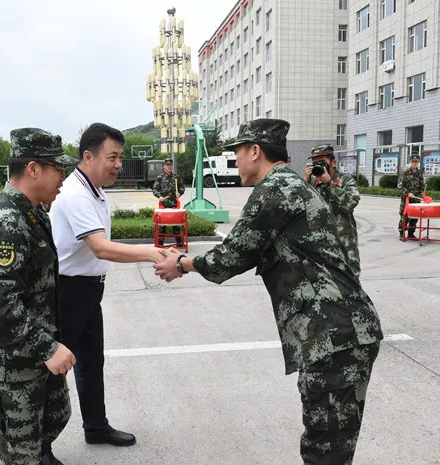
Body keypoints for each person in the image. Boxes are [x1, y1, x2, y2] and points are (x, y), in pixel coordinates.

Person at [154, 118, 383, 465]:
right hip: (343, 332)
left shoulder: (275, 190)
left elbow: (231, 256)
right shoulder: (291, 185)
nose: (236, 160)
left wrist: (182, 263)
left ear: (255, 151)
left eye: (238, 152)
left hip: (333, 335)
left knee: (324, 451)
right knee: (332, 446)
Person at [49, 122, 164, 448]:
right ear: (88, 156)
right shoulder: (75, 195)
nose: (118, 164)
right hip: (69, 292)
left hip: (88, 291)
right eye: (112, 157)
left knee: (91, 364)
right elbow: (101, 247)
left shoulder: (93, 190)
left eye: (120, 157)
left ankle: (96, 428)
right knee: (56, 369)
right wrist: (152, 252)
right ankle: (37, 446)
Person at [0, 128, 79, 465]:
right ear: (33, 169)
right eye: (58, 169)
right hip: (15, 364)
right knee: (19, 454)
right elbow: (0, 305)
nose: (63, 177)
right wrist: (48, 347)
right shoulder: (8, 221)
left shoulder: (32, 212)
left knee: (55, 417)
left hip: (36, 355)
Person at [304, 144, 361, 277]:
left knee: (350, 287)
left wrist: (330, 183)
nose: (319, 166)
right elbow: (299, 207)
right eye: (315, 163)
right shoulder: (313, 182)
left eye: (322, 162)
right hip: (319, 247)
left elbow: (350, 204)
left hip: (344, 246)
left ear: (333, 162)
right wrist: (305, 181)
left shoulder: (346, 180)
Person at [152, 159, 186, 246]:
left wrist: (180, 193)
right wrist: (159, 196)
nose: (169, 167)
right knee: (162, 226)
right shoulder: (160, 178)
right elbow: (155, 189)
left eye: (170, 165)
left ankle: (180, 243)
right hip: (164, 205)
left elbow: (182, 187)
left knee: (176, 225)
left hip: (174, 204)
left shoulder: (176, 177)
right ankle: (160, 243)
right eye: (167, 165)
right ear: (164, 166)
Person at [398, 153, 425, 240]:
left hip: (416, 200)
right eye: (413, 162)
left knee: (414, 217)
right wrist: (407, 193)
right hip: (407, 200)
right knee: (404, 216)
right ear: (410, 162)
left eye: (416, 162)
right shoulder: (405, 173)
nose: (414, 163)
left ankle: (411, 233)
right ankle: (402, 233)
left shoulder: (419, 173)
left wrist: (422, 193)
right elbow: (400, 186)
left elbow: (421, 186)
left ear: (418, 163)